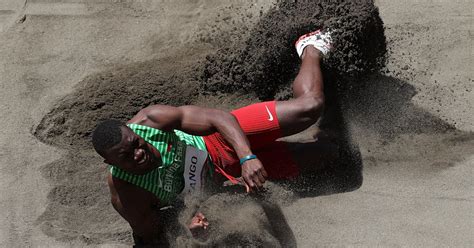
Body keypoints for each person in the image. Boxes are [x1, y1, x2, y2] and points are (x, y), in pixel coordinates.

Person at [92, 30, 334, 246]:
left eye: (136, 144)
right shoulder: (127, 192)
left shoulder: (151, 120)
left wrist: (246, 156)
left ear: (134, 131)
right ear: (111, 164)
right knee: (327, 154)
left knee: (309, 107)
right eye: (127, 156)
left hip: (217, 142)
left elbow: (219, 117)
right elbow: (152, 235)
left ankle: (310, 47)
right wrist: (186, 227)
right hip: (217, 188)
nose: (139, 154)